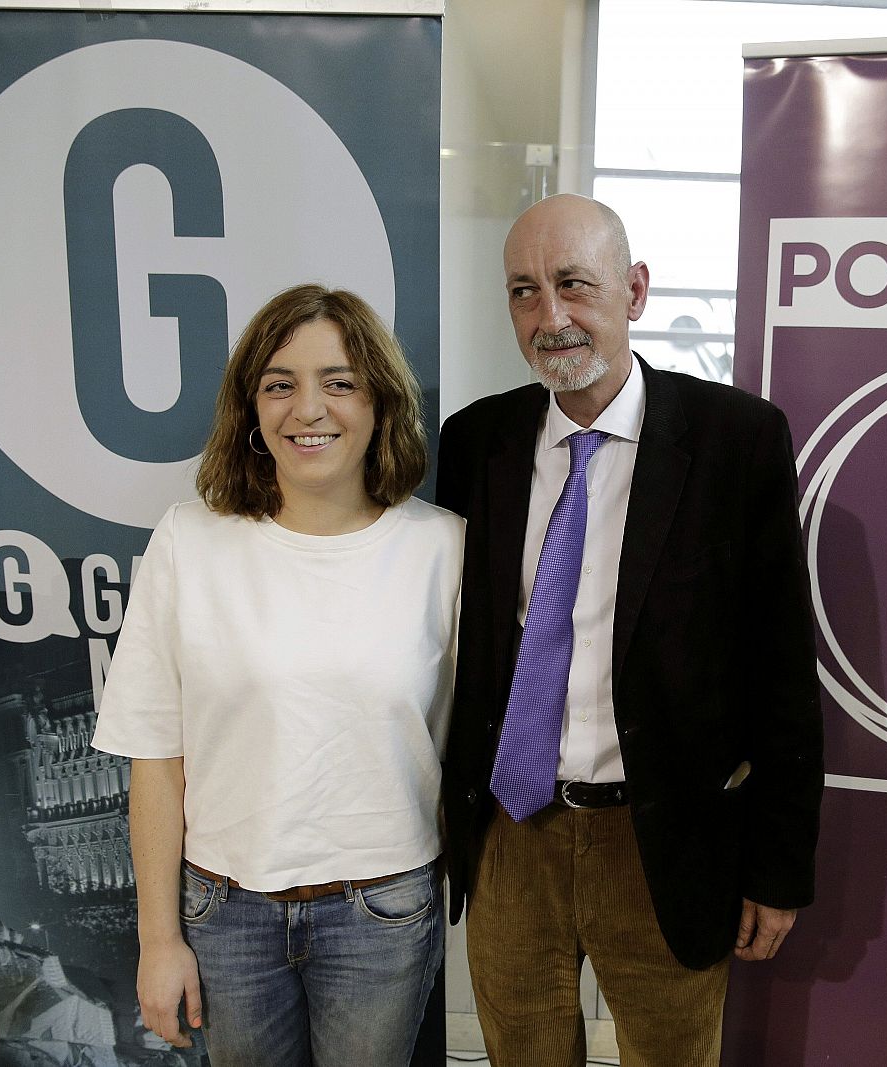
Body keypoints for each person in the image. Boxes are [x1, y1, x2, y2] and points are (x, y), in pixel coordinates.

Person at [437, 194, 824, 1066]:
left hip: (661, 840)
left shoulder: (736, 441)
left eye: (574, 284)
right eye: (524, 293)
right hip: (511, 835)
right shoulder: (474, 443)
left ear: (635, 290)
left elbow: (782, 673)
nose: (551, 316)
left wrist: (776, 868)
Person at [92, 285, 462, 1067]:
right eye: (279, 383)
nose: (308, 408)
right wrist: (159, 938)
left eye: (339, 380)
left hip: (383, 911)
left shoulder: (444, 550)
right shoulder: (189, 541)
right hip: (223, 914)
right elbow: (155, 757)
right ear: (251, 409)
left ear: (380, 400)